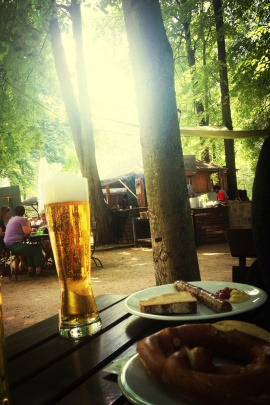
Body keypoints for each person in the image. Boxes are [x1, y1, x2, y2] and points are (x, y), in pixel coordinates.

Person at [4, 205, 45, 277]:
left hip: (8, 245)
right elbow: (27, 233)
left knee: (29, 248)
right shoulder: (21, 219)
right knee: (37, 250)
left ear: (15, 212)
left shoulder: (12, 219)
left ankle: (30, 270)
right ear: (23, 212)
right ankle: (38, 271)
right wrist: (28, 222)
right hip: (15, 245)